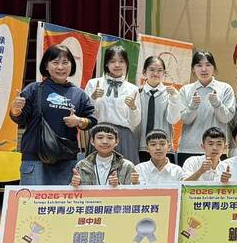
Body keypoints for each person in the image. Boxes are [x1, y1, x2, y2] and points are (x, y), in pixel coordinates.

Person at [10, 45, 97, 185]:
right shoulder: (34, 89)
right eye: (55, 62)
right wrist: (15, 110)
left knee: (62, 200)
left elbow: (92, 120)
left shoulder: (79, 94)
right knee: (31, 199)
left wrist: (79, 121)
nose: (60, 67)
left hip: (66, 160)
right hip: (35, 159)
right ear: (46, 65)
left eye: (65, 62)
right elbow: (21, 119)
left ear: (72, 65)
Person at [177, 51, 236, 165]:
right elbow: (184, 119)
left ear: (214, 68)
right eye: (199, 65)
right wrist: (192, 107)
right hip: (189, 149)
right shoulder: (185, 90)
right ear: (193, 69)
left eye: (208, 65)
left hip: (216, 149)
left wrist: (217, 104)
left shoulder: (225, 88)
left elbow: (226, 118)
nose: (204, 69)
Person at [85, 45, 141, 164]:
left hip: (123, 137)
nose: (117, 65)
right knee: (96, 172)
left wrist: (133, 108)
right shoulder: (93, 83)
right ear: (106, 63)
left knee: (124, 173)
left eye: (121, 61)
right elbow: (86, 115)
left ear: (126, 64)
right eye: (112, 61)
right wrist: (93, 98)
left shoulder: (133, 89)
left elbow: (135, 123)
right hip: (99, 135)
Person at [137, 56, 181, 163]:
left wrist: (174, 99)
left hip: (163, 148)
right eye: (152, 70)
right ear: (144, 72)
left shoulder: (171, 94)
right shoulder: (137, 92)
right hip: (141, 147)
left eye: (160, 70)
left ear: (164, 73)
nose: (156, 73)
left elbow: (173, 120)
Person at [70, 124, 138, 187]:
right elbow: (72, 192)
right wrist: (75, 185)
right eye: (100, 138)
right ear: (92, 141)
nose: (105, 142)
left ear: (116, 141)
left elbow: (134, 192)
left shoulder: (127, 166)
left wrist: (118, 186)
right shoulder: (82, 165)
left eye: (110, 138)